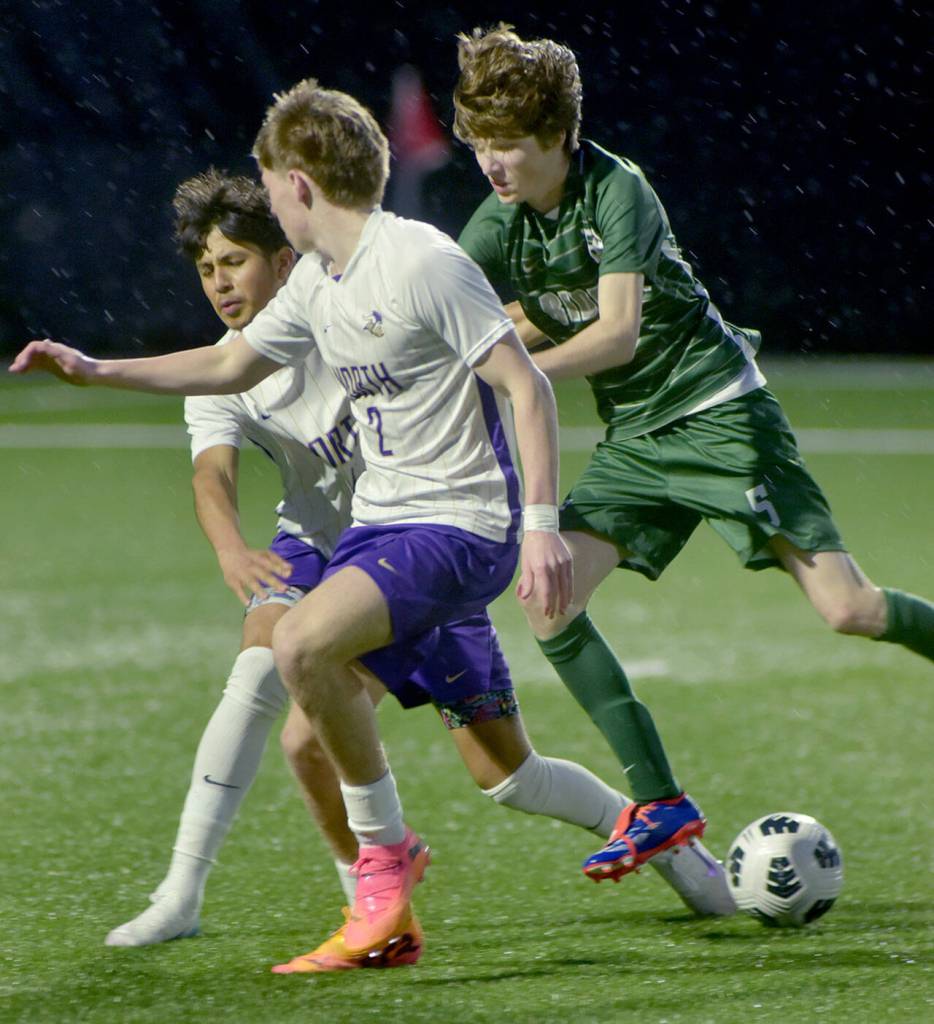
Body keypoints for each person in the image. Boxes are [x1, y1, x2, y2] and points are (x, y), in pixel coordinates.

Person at [10, 79, 577, 969]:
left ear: (300, 187)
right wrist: (94, 369)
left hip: (457, 525)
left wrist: (541, 525)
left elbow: (526, 384)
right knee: (318, 720)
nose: (267, 198)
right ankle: (372, 893)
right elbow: (230, 365)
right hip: (373, 536)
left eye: (270, 182)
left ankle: (385, 871)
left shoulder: (418, 260)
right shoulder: (318, 282)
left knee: (311, 652)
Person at [104, 170, 732, 965]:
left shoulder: (345, 312)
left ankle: (664, 841)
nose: (219, 282)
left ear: (284, 257)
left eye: (234, 261)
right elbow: (210, 474)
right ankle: (214, 894)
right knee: (274, 679)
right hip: (322, 551)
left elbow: (467, 355)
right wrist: (231, 547)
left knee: (509, 776)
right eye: (205, 269)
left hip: (421, 545)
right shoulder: (228, 365)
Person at [452, 24, 934, 885]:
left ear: (558, 137)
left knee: (848, 609)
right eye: (480, 144)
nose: (492, 162)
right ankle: (661, 801)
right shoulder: (498, 225)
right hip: (637, 438)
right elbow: (476, 314)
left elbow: (615, 330)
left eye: (509, 145)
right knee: (547, 597)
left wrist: (514, 375)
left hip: (719, 413)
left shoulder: (617, 189)